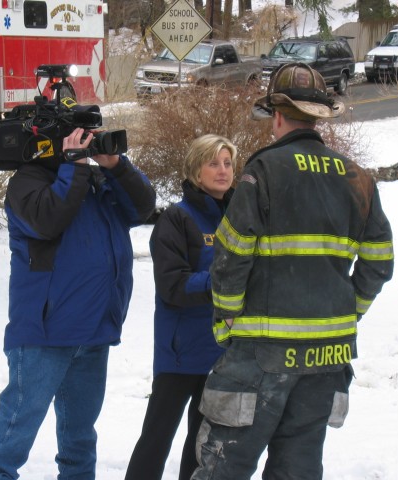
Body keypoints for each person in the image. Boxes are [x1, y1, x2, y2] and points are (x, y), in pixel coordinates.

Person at [191, 63, 395, 480]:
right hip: (327, 358)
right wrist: (347, 312)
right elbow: (380, 260)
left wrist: (228, 316)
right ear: (320, 115)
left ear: (278, 116)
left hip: (260, 356)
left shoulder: (263, 172)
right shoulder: (358, 179)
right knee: (298, 471)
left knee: (222, 468)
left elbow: (231, 253)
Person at [0, 126, 156, 480]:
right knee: (15, 434)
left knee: (79, 439)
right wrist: (74, 166)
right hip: (44, 333)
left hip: (93, 331)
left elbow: (142, 208)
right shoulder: (26, 183)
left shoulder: (96, 180)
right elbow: (49, 220)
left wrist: (116, 165)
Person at [125, 134, 237, 480]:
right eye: (213, 162)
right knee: (156, 442)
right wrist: (222, 284)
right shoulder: (177, 218)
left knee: (202, 445)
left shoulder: (240, 218)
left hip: (222, 353)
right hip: (180, 353)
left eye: (228, 163)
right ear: (194, 169)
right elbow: (173, 285)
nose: (222, 170)